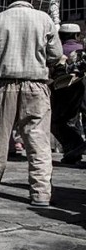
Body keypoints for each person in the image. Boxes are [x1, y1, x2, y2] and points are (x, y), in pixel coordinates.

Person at [0, 0, 63, 207]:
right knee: (38, 141)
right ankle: (41, 193)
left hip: (4, 87)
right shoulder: (44, 20)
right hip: (36, 86)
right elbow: (56, 55)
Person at [50, 23, 85, 165]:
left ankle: (75, 148)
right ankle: (74, 152)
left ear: (60, 36)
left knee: (58, 123)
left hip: (63, 94)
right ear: (77, 36)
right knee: (74, 123)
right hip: (80, 94)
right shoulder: (81, 50)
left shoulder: (57, 52)